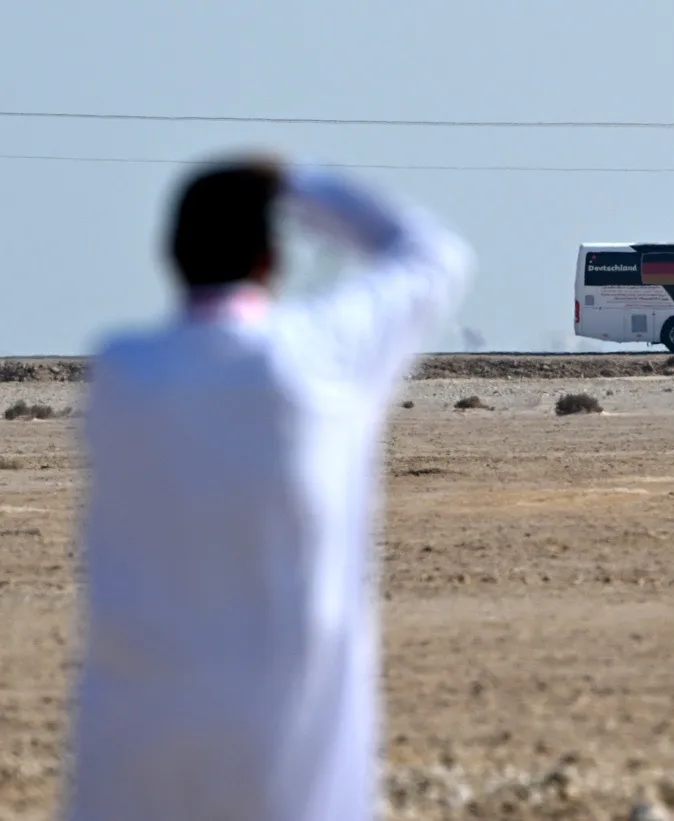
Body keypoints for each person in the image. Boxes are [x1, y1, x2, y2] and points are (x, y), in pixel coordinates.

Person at [63, 154, 474, 821]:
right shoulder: (318, 360)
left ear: (170, 253)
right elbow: (434, 255)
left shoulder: (120, 374)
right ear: (268, 260)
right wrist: (301, 180)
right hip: (288, 759)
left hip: (133, 749)